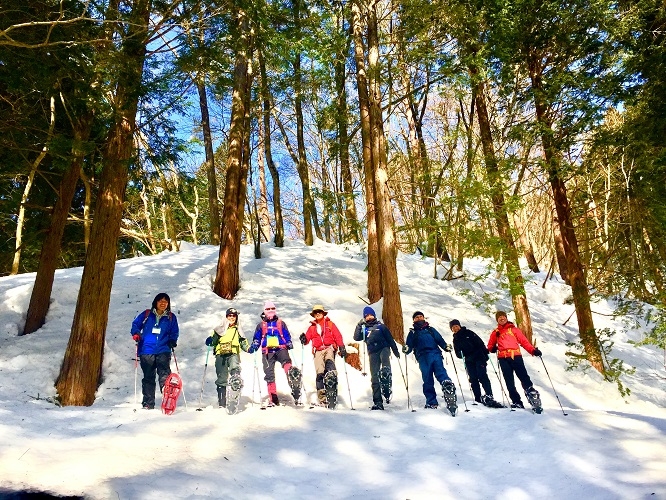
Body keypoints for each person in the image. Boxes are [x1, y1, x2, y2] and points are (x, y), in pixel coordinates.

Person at [130, 293, 179, 409]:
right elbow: (135, 324)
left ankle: (166, 396)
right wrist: (136, 333)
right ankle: (148, 403)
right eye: (160, 301)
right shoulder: (147, 314)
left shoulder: (171, 317)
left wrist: (172, 340)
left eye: (165, 302)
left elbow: (174, 331)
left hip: (163, 349)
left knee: (164, 374)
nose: (163, 304)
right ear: (155, 302)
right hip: (146, 349)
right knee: (148, 377)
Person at [487, 311, 542, 409]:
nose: (502, 319)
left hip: (515, 356)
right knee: (509, 381)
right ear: (497, 320)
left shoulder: (514, 329)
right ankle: (517, 401)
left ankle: (531, 394)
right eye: (499, 318)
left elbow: (524, 342)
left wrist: (533, 351)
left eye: (503, 317)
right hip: (503, 359)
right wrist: (492, 349)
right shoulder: (495, 332)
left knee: (523, 377)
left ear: (506, 318)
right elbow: (490, 345)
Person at [248, 301, 298, 406]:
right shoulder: (261, 325)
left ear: (275, 310)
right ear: (264, 311)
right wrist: (254, 346)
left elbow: (286, 334)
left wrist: (289, 342)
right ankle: (273, 398)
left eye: (272, 309)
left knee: (286, 362)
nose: (270, 311)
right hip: (267, 352)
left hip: (281, 348)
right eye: (268, 309)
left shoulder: (280, 323)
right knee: (269, 374)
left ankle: (292, 376)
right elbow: (257, 338)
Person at [403, 311, 456, 411]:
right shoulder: (412, 333)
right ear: (414, 320)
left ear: (424, 318)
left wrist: (445, 346)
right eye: (416, 317)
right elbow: (409, 346)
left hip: (435, 354)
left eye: (420, 316)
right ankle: (432, 401)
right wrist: (406, 349)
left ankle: (447, 386)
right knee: (427, 379)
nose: (419, 318)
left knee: (441, 373)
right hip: (422, 357)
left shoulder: (431, 330)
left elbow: (440, 340)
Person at [353, 306, 400, 410]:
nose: (369, 317)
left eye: (371, 315)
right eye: (367, 316)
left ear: (374, 315)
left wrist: (396, 351)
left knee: (385, 364)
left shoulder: (381, 326)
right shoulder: (364, 329)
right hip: (372, 352)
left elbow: (390, 339)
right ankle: (378, 401)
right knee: (374, 376)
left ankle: (386, 374)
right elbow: (356, 337)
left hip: (384, 347)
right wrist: (359, 325)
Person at [300, 304, 347, 406]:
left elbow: (337, 335)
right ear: (313, 315)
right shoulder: (312, 327)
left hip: (329, 347)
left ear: (323, 313)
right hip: (318, 350)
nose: (317, 314)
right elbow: (307, 340)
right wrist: (304, 339)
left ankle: (332, 378)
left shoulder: (330, 324)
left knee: (329, 361)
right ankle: (322, 397)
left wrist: (341, 346)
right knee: (319, 372)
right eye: (315, 312)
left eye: (319, 312)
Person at [450, 319, 502, 408]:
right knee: (473, 379)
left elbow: (479, 342)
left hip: (479, 357)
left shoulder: (468, 333)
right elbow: (458, 354)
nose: (455, 328)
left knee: (482, 376)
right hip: (469, 360)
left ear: (459, 326)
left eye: (456, 326)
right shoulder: (455, 339)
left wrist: (484, 352)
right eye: (453, 327)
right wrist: (460, 353)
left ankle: (489, 395)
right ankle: (477, 398)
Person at [205, 308, 249, 408]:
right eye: (230, 315)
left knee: (234, 366)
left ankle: (235, 379)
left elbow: (243, 342)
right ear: (226, 317)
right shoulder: (218, 329)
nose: (232, 318)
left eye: (234, 316)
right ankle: (222, 403)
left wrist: (249, 348)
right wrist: (210, 340)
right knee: (221, 378)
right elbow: (213, 340)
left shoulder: (238, 329)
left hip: (233, 352)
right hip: (220, 354)